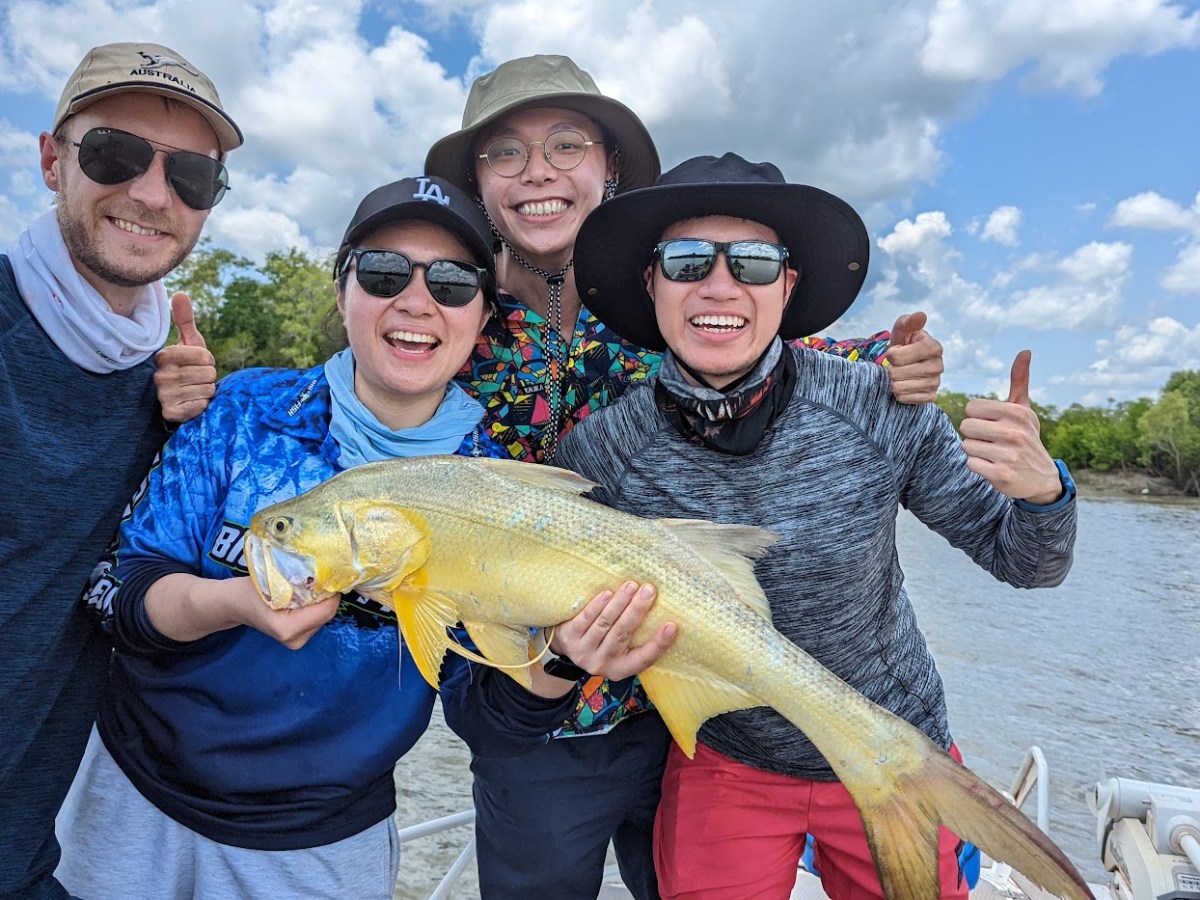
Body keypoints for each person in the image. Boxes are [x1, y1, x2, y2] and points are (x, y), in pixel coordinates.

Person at [52, 175, 673, 900]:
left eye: (451, 282)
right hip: (128, 796)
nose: (415, 301)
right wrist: (233, 603)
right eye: (382, 273)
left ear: (481, 317)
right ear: (342, 290)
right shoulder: (242, 409)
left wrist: (565, 661)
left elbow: (483, 714)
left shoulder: (498, 482)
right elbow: (116, 593)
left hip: (322, 846)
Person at [422, 54, 946, 899]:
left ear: (611, 169)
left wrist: (895, 360)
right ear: (479, 184)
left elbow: (778, 352)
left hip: (681, 707)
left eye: (567, 144)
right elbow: (372, 402)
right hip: (539, 712)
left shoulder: (666, 296)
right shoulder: (448, 310)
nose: (539, 172)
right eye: (505, 154)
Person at [555, 152, 1078, 900]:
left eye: (756, 263)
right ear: (652, 282)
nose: (720, 285)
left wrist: (1042, 492)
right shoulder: (601, 455)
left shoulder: (880, 406)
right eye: (687, 260)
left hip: (897, 746)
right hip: (727, 757)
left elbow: (1027, 563)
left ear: (788, 286)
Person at [0, 41, 242, 900]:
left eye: (191, 177)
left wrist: (188, 422)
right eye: (115, 152)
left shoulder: (168, 383)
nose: (150, 193)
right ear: (49, 159)